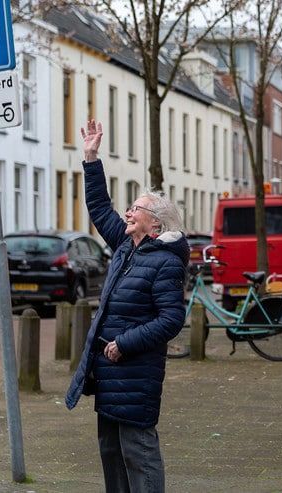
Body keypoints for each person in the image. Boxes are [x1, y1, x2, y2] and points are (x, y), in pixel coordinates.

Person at [66, 120, 189, 492]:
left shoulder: (166, 261)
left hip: (134, 370)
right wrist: (91, 158)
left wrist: (126, 343)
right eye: (131, 207)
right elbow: (99, 207)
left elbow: (171, 320)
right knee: (110, 450)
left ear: (155, 225)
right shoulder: (126, 245)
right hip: (107, 369)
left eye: (136, 208)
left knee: (138, 451)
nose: (128, 212)